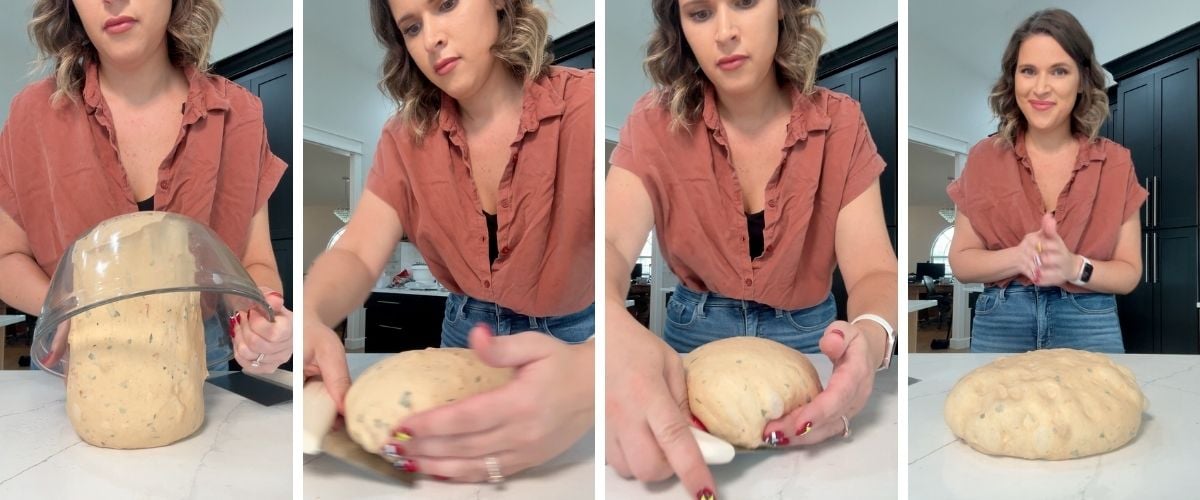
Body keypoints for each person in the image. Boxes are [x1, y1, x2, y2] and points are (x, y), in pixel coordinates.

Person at [604, 0, 897, 497]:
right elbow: (609, 244)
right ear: (680, 27)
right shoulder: (652, 122)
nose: (724, 32)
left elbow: (873, 271)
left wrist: (870, 340)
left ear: (782, 9)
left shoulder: (841, 122)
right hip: (694, 337)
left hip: (810, 339)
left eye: (743, 2)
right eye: (699, 13)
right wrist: (612, 328)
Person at [303, 0, 595, 483]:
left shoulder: (584, 104)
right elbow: (356, 251)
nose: (431, 37)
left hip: (574, 336)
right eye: (412, 27)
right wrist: (313, 313)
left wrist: (591, 370)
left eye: (445, 5)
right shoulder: (403, 137)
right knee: (449, 479)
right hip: (465, 330)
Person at [0, 0, 292, 373]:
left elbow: (254, 262)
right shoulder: (31, 116)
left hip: (197, 369)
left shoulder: (240, 116)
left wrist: (263, 321)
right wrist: (64, 311)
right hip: (74, 371)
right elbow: (7, 257)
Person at [947, 8, 1144, 354]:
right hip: (1002, 317)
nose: (1041, 87)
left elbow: (1128, 273)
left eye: (1059, 71)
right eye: (1028, 71)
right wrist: (1018, 257)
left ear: (1082, 80)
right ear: (1013, 79)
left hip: (1088, 316)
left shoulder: (1115, 162)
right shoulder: (982, 158)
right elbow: (962, 262)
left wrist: (1073, 267)